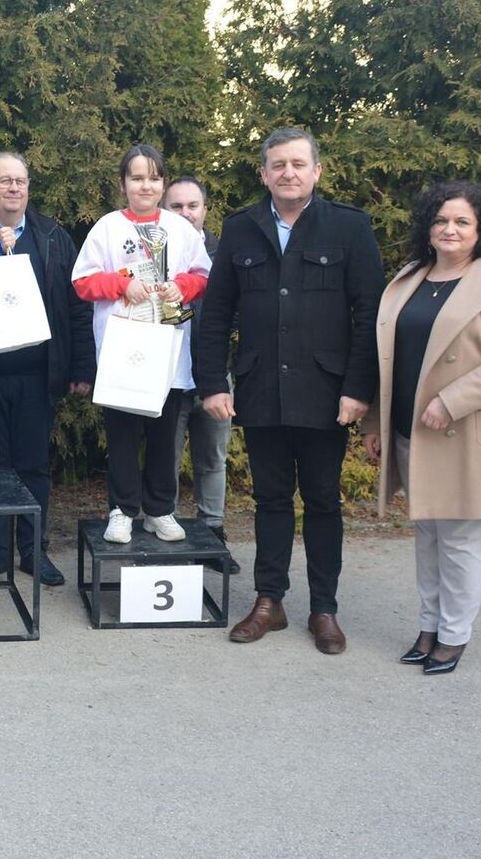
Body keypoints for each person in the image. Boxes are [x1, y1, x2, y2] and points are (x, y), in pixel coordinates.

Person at [193, 127, 385, 655]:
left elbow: (370, 313)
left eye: (298, 164)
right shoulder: (241, 228)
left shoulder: (348, 226)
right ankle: (269, 601)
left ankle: (324, 608)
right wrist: (213, 383)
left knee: (323, 501)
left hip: (326, 392)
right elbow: (216, 313)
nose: (288, 173)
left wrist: (358, 389)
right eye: (278, 165)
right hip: (261, 389)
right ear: (264, 174)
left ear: (316, 171)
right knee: (270, 499)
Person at [362, 181, 481, 675]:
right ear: (427, 226)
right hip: (413, 432)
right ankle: (429, 627)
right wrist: (375, 423)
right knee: (428, 536)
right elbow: (388, 360)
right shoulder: (412, 278)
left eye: (463, 221)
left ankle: (454, 635)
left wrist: (452, 399)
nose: (450, 229)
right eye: (441, 220)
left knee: (462, 541)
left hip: (468, 433)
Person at [72, 145, 211, 545]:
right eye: (136, 178)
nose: (145, 185)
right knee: (123, 435)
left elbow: (204, 276)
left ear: (163, 183)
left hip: (168, 348)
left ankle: (159, 509)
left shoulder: (180, 229)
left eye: (153, 177)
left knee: (164, 435)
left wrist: (181, 286)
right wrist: (121, 284)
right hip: (123, 349)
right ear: (123, 184)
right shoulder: (107, 228)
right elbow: (82, 281)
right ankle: (122, 510)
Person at [0, 152, 95, 586]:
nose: (14, 188)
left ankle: (33, 550)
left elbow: (76, 305)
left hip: (38, 374)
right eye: (4, 180)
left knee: (34, 467)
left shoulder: (52, 236)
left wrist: (82, 365)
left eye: (21, 180)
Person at [163, 177, 240, 574]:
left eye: (192, 205)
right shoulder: (155, 253)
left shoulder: (225, 254)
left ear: (205, 209)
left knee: (212, 460)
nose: (185, 213)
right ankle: (166, 534)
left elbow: (240, 312)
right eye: (176, 206)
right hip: (167, 377)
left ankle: (212, 535)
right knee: (166, 459)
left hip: (214, 378)